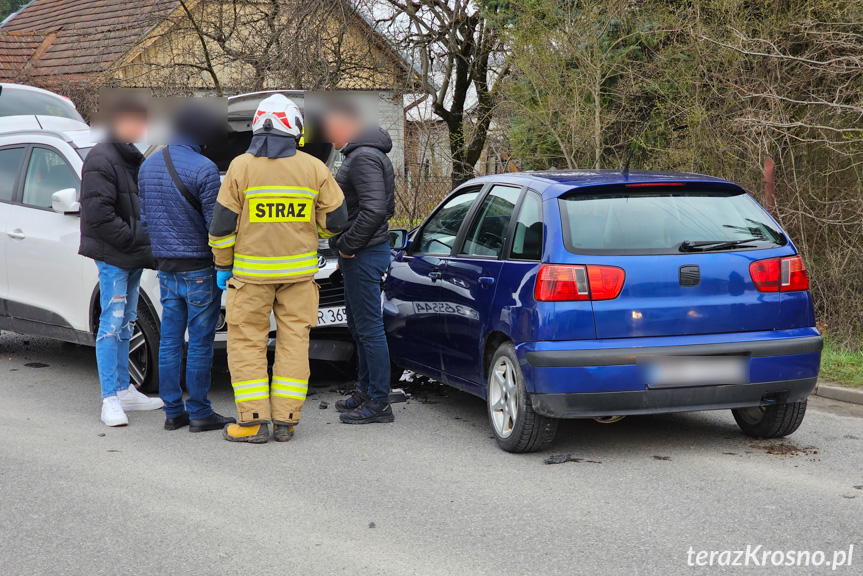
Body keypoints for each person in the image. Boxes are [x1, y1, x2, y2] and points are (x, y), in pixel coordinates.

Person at [209, 94, 347, 444]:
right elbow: (336, 221)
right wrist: (311, 227)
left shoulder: (240, 167)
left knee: (247, 345)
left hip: (250, 278)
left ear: (257, 126)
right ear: (295, 129)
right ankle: (286, 420)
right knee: (294, 345)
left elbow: (222, 228)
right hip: (299, 278)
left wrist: (223, 265)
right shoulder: (314, 168)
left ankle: (253, 423)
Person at [138, 103, 236, 433]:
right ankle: (199, 411)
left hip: (166, 269)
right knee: (199, 343)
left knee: (169, 340)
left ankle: (172, 412)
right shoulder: (205, 169)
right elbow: (217, 227)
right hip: (198, 269)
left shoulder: (147, 166)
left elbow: (147, 221)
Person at [79, 97, 164, 427]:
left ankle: (124, 389)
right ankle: (109, 399)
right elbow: (99, 218)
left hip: (132, 255)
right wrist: (140, 240)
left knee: (127, 322)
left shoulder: (131, 156)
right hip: (114, 256)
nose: (142, 129)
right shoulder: (102, 158)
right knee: (111, 324)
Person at [325, 104, 396, 424]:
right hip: (362, 252)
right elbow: (380, 208)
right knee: (359, 327)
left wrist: (348, 246)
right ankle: (367, 389)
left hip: (364, 254)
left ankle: (379, 401)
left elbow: (375, 210)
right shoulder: (361, 154)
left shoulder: (364, 156)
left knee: (369, 329)